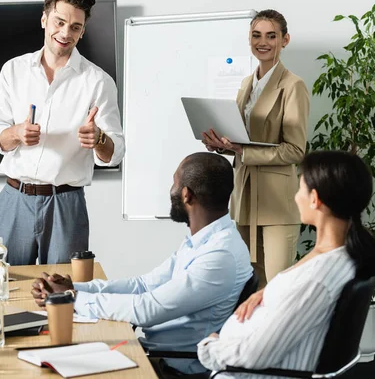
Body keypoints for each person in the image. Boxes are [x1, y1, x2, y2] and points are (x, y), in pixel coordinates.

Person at [31, 152, 252, 376]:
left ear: (187, 195)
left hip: (174, 366)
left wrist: (72, 297)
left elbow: (148, 309)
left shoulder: (219, 255)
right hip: (152, 352)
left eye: (174, 183)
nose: (171, 190)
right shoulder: (205, 241)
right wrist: (75, 288)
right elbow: (143, 285)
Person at [197, 151, 375, 375]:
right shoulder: (338, 254)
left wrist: (210, 345)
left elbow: (254, 355)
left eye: (300, 188)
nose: (296, 197)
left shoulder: (318, 279)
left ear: (315, 199)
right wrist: (269, 291)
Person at [0, 0, 124, 265]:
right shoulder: (13, 70)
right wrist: (16, 133)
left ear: (83, 30)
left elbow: (115, 153)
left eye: (75, 27)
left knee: (62, 292)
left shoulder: (98, 81)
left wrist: (98, 139)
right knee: (4, 288)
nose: (65, 33)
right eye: (59, 22)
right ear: (44, 19)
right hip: (15, 198)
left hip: (66, 204)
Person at [202, 9, 309, 287]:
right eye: (256, 35)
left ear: (284, 40)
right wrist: (221, 145)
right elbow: (242, 142)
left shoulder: (292, 86)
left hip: (276, 203)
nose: (263, 42)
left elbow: (295, 151)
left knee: (276, 290)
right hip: (245, 199)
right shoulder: (247, 84)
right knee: (249, 289)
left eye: (271, 36)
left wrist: (242, 152)